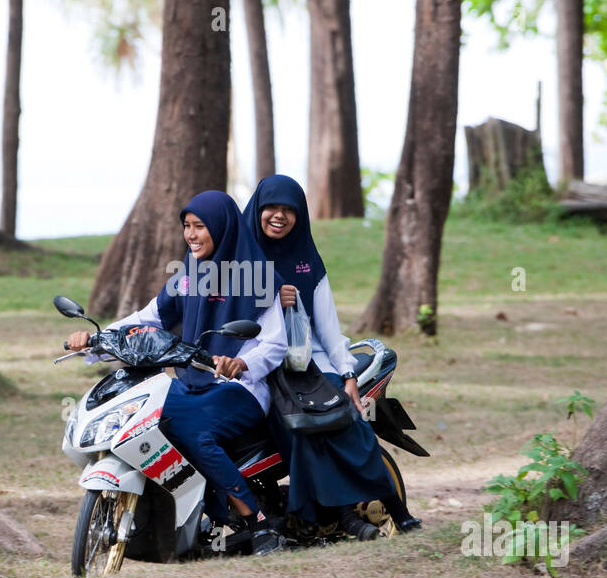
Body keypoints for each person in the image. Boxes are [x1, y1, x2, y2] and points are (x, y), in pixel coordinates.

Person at [66, 191, 288, 554]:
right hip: (192, 380)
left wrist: (242, 362)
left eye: (200, 227)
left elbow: (275, 343)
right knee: (143, 419)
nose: (191, 235)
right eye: (187, 226)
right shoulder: (189, 274)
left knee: (193, 432)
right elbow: (149, 318)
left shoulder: (259, 276)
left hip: (242, 387)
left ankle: (254, 518)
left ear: (222, 228)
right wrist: (96, 339)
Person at [242, 175, 422, 540]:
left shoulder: (307, 260)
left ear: (301, 216)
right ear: (257, 210)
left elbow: (327, 326)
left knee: (350, 424)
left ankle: (398, 511)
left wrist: (347, 376)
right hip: (263, 363)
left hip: (313, 360)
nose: (279, 216)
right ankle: (337, 518)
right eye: (271, 208)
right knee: (300, 430)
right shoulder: (241, 259)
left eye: (289, 210)